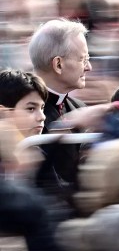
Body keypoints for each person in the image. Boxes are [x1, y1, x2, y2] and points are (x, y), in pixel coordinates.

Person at [27, 18, 91, 198]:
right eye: (83, 59)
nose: (89, 67)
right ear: (58, 64)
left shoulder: (81, 108)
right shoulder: (20, 112)